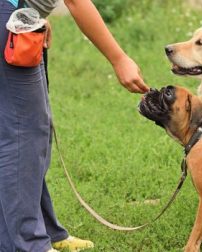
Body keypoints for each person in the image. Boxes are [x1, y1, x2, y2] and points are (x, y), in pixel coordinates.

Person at [0, 0, 149, 251]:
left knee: (29, 134)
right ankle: (28, 244)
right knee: (23, 137)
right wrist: (119, 59)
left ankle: (44, 231)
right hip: (10, 19)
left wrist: (33, 14)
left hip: (17, 16)